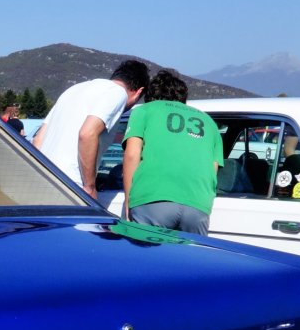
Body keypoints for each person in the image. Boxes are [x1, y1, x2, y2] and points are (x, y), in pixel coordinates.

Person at [120, 69, 222, 235]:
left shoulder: (144, 111)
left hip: (152, 199)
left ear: (150, 96)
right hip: (198, 205)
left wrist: (129, 201)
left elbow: (132, 155)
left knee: (144, 260)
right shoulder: (209, 123)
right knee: (187, 260)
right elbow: (213, 168)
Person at [33, 59, 150, 198]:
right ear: (139, 92)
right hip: (71, 185)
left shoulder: (72, 90)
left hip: (41, 181)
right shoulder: (118, 93)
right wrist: (89, 187)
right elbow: (87, 134)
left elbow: (38, 140)